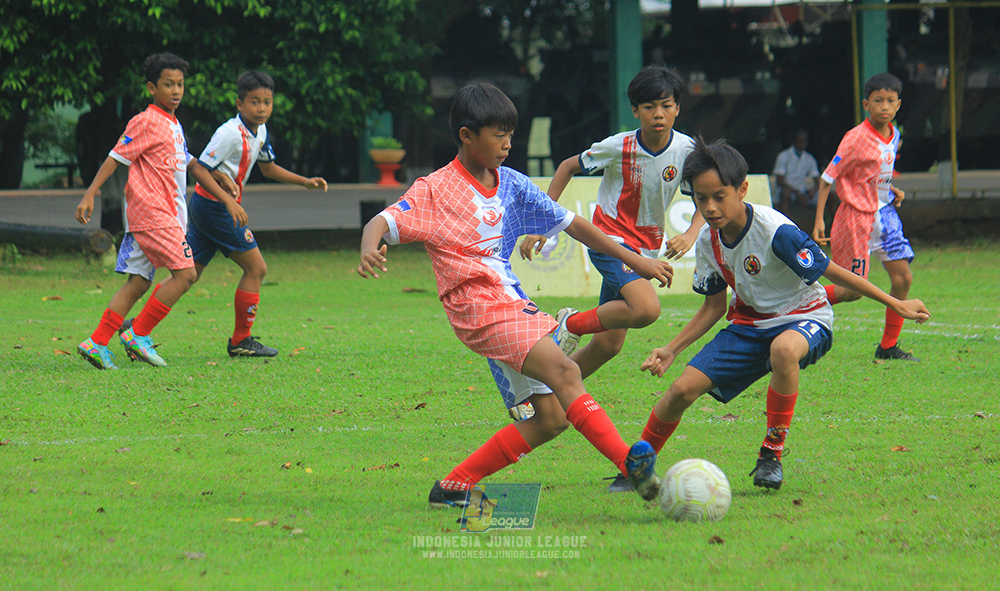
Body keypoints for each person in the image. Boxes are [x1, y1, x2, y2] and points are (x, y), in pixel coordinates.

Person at [357, 82, 676, 507]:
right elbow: (381, 222)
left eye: (511, 134)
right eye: (498, 134)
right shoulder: (435, 189)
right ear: (467, 135)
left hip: (511, 301)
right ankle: (628, 463)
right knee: (566, 373)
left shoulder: (511, 183)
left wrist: (635, 261)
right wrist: (369, 246)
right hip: (476, 307)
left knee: (551, 419)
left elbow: (572, 224)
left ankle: (452, 486)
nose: (508, 144)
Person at [639, 138, 930, 490]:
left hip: (806, 318)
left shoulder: (775, 230)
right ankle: (638, 464)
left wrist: (895, 302)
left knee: (784, 349)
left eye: (719, 196)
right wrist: (672, 349)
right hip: (749, 325)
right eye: (702, 199)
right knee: (681, 391)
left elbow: (831, 270)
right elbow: (714, 307)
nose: (711, 207)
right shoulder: (708, 242)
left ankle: (771, 454)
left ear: (742, 189)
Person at [519, 66, 704, 490]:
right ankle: (568, 324)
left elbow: (703, 192)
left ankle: (544, 395)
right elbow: (567, 166)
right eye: (649, 106)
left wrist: (691, 232)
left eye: (667, 105)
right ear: (636, 111)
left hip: (648, 246)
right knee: (646, 308)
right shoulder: (618, 147)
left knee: (609, 344)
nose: (659, 114)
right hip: (608, 240)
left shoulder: (688, 150)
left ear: (677, 109)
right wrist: (542, 221)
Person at [75, 52, 247, 370]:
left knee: (138, 282)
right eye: (169, 84)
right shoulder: (145, 121)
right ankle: (138, 334)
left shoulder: (173, 124)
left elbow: (190, 162)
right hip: (154, 214)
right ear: (152, 88)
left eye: (180, 84)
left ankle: (96, 342)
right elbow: (115, 157)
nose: (176, 90)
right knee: (186, 274)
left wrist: (221, 183)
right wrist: (90, 194)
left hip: (158, 217)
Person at [185, 70, 328, 358]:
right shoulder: (228, 133)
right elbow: (200, 168)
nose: (261, 108)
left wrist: (305, 181)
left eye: (267, 102)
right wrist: (229, 201)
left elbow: (268, 167)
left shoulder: (259, 131)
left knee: (187, 275)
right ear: (239, 104)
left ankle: (137, 327)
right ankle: (241, 340)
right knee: (257, 268)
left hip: (206, 206)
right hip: (215, 208)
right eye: (254, 102)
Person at [812, 73, 919, 361]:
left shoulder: (894, 133)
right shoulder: (855, 138)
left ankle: (887, 347)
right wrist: (819, 219)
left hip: (885, 216)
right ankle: (799, 301)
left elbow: (873, 175)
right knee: (852, 291)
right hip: (855, 218)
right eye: (878, 101)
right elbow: (827, 179)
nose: (884, 106)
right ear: (866, 104)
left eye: (890, 101)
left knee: (903, 278)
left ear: (898, 105)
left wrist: (890, 188)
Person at [772, 128, 819, 215]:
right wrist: (797, 193)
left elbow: (817, 180)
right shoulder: (783, 156)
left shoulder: (809, 158)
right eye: (799, 141)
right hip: (789, 190)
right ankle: (786, 222)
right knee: (785, 194)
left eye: (804, 141)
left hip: (803, 190)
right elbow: (780, 181)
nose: (802, 144)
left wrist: (813, 191)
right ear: (794, 141)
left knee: (831, 196)